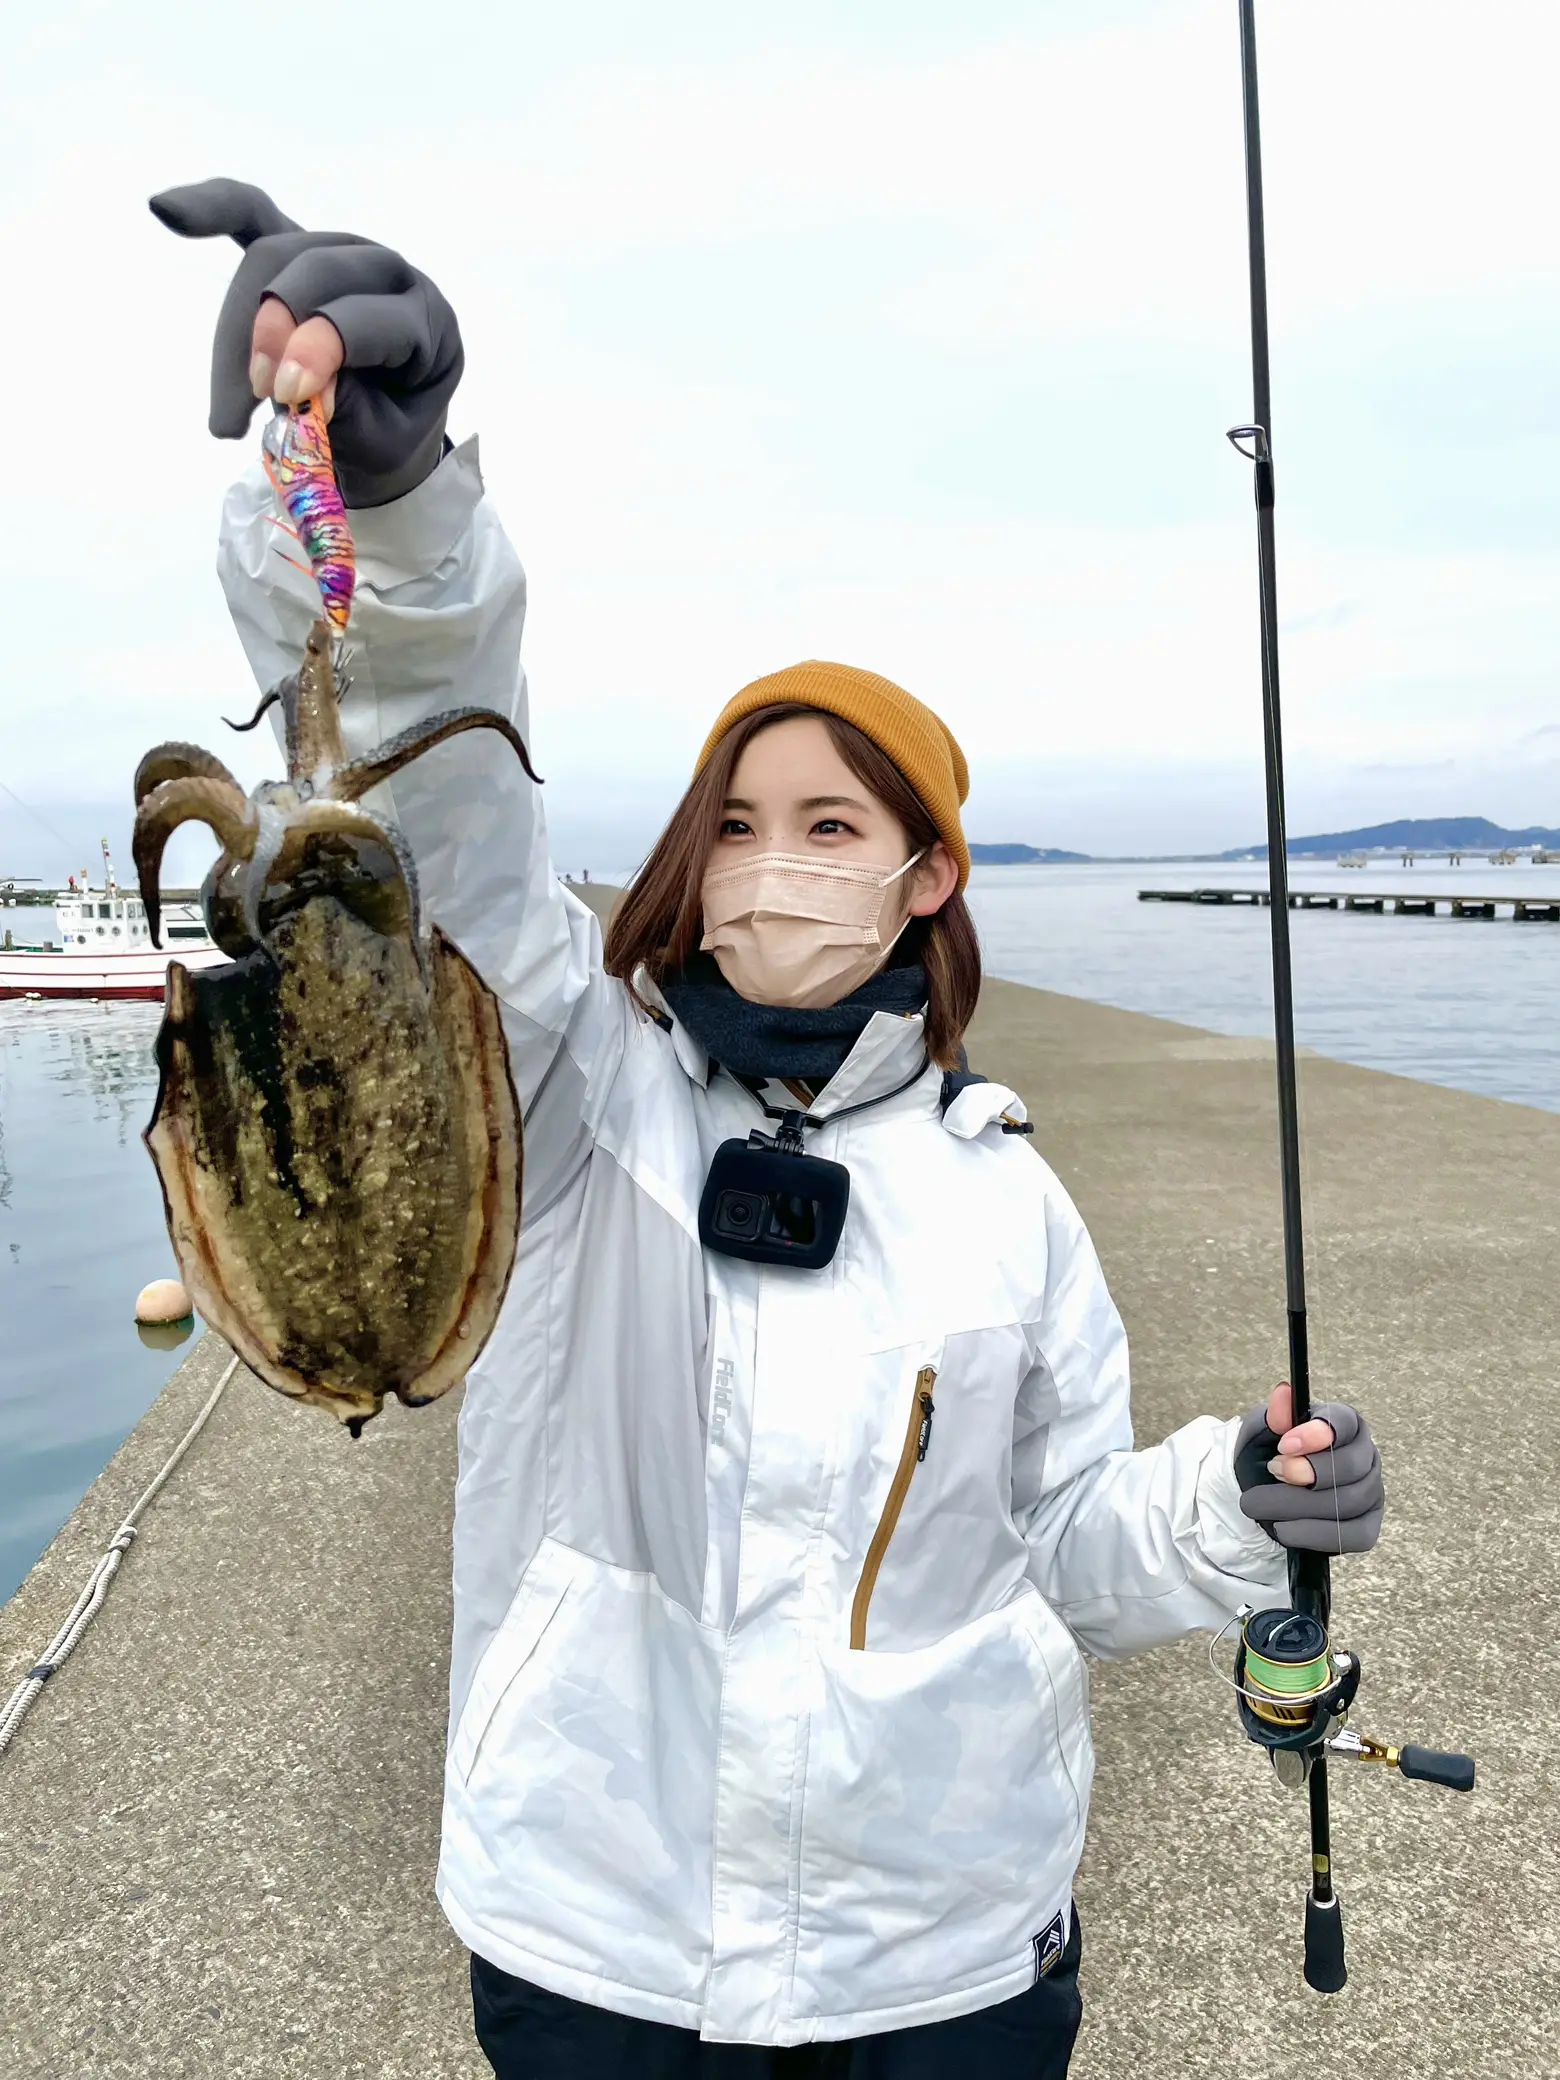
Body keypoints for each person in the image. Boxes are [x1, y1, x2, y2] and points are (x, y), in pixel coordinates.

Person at [154, 182, 1386, 2079]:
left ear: (927, 875)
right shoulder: (573, 1089)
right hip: (597, 1946)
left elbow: (1058, 1548)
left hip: (947, 1960)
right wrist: (394, 527)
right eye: (736, 823)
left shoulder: (1010, 1203)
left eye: (829, 828)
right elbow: (439, 823)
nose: (770, 866)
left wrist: (1235, 1506)